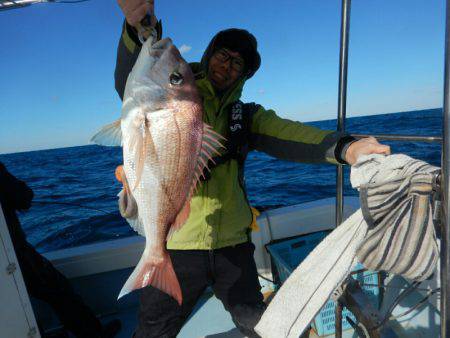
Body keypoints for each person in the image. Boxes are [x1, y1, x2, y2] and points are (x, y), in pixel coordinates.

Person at [114, 1, 391, 337]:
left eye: (237, 63)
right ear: (209, 53)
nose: (227, 65)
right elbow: (134, 78)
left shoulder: (246, 116)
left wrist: (346, 147)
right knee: (154, 330)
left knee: (259, 323)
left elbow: (293, 136)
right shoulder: (174, 93)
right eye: (223, 54)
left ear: (244, 75)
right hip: (177, 245)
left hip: (233, 244)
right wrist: (136, 26)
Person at [0, 162, 121, 338]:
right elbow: (23, 197)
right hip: (15, 253)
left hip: (12, 253)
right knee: (60, 291)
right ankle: (94, 335)